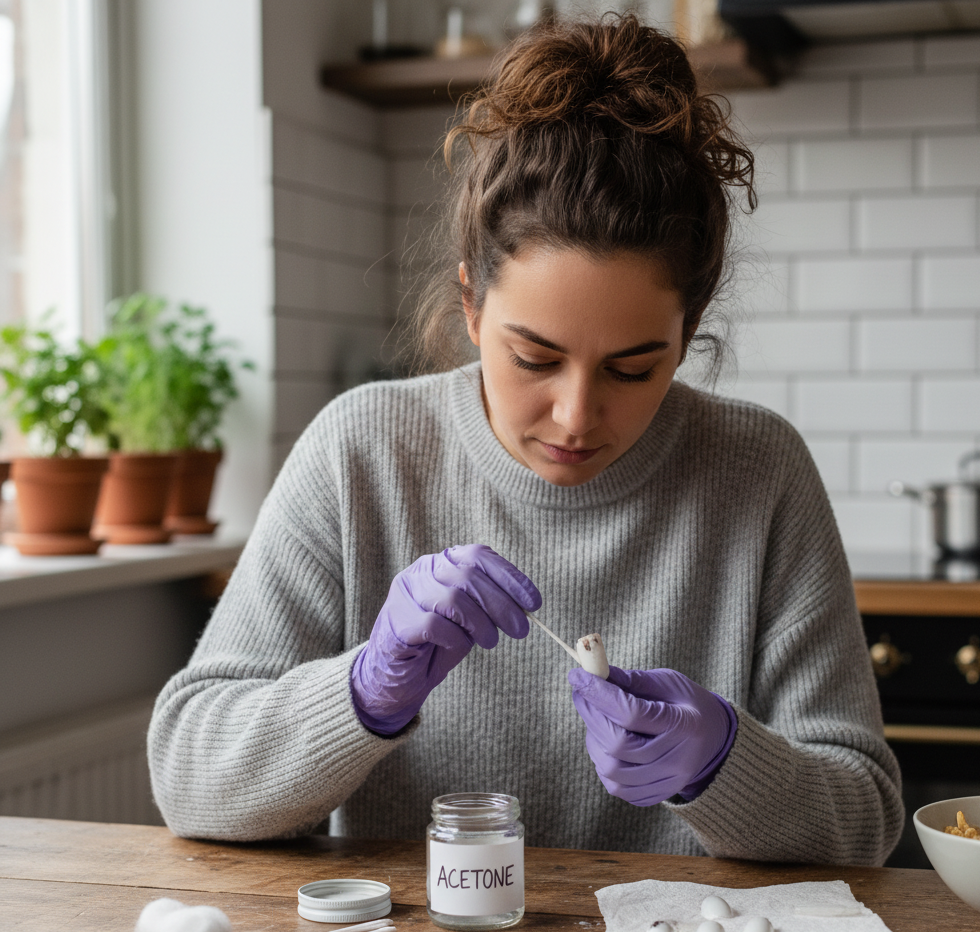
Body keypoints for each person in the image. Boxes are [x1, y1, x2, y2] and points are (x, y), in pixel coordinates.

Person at [148, 13, 903, 865]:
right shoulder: (361, 452)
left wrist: (724, 765)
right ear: (471, 306)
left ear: (687, 333)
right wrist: (361, 694)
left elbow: (866, 820)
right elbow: (188, 778)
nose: (576, 416)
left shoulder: (760, 471)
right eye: (535, 358)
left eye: (632, 369)